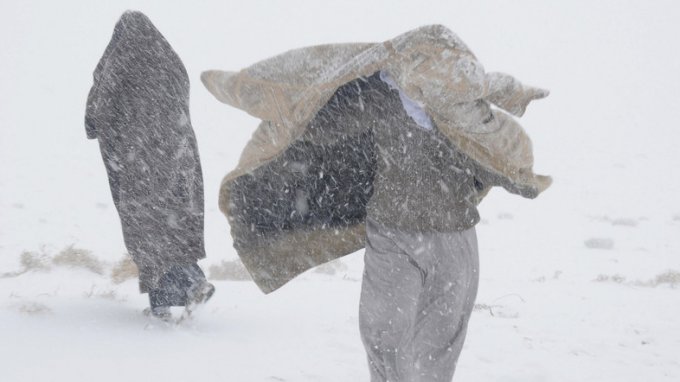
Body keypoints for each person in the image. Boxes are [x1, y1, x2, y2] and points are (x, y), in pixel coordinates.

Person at [202, 25, 550, 381]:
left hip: (453, 236)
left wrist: (517, 177)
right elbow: (323, 121)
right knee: (383, 327)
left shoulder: (467, 114)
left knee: (441, 336)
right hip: (391, 232)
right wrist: (295, 113)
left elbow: (498, 155)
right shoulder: (383, 96)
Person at [85, 11, 214, 320]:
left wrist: (95, 122)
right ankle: (163, 304)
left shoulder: (124, 58)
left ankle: (192, 282)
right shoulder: (172, 62)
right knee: (172, 224)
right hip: (181, 161)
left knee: (147, 228)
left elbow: (102, 103)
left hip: (142, 160)